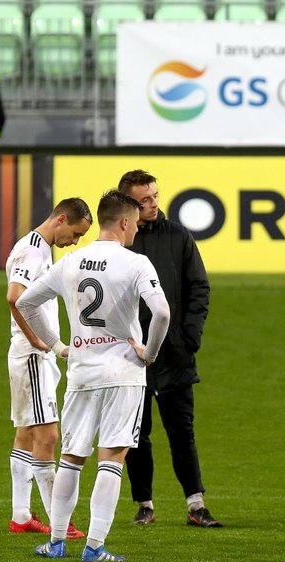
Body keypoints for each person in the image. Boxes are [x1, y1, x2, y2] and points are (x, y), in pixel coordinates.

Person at [17, 190, 171, 562]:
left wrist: (56, 345)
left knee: (71, 457)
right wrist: (148, 354)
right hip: (122, 372)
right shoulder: (136, 263)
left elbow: (25, 302)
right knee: (112, 458)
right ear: (123, 222)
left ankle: (56, 543)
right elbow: (162, 314)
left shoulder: (70, 261)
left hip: (82, 370)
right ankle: (95, 547)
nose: (136, 229)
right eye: (135, 223)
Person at [117, 170, 219, 527]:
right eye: (144, 200)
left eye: (155, 196)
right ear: (127, 204)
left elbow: (199, 287)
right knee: (136, 434)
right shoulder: (120, 243)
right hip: (130, 356)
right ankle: (144, 504)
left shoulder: (178, 236)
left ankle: (196, 504)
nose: (153, 204)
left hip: (175, 353)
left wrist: (189, 335)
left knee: (182, 432)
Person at [5, 199, 92, 538]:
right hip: (31, 355)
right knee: (49, 436)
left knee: (26, 434)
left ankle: (22, 515)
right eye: (75, 233)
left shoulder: (36, 247)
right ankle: (59, 521)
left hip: (28, 354)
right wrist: (42, 342)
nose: (75, 241)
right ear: (61, 219)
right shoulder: (33, 251)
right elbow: (15, 297)